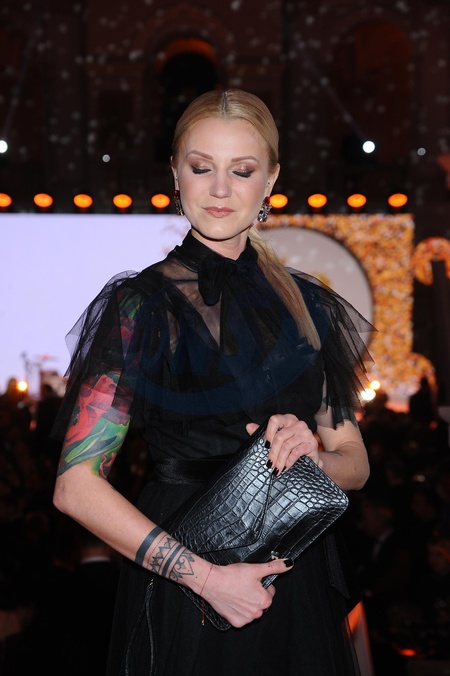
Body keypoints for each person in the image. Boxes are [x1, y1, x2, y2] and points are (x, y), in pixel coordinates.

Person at [52, 88, 374, 675]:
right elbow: (75, 487)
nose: (220, 189)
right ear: (176, 174)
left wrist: (313, 457)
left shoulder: (309, 306)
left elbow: (354, 461)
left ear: (270, 180)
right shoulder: (140, 307)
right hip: (189, 582)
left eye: (241, 170)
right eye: (202, 167)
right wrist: (207, 579)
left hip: (295, 569)